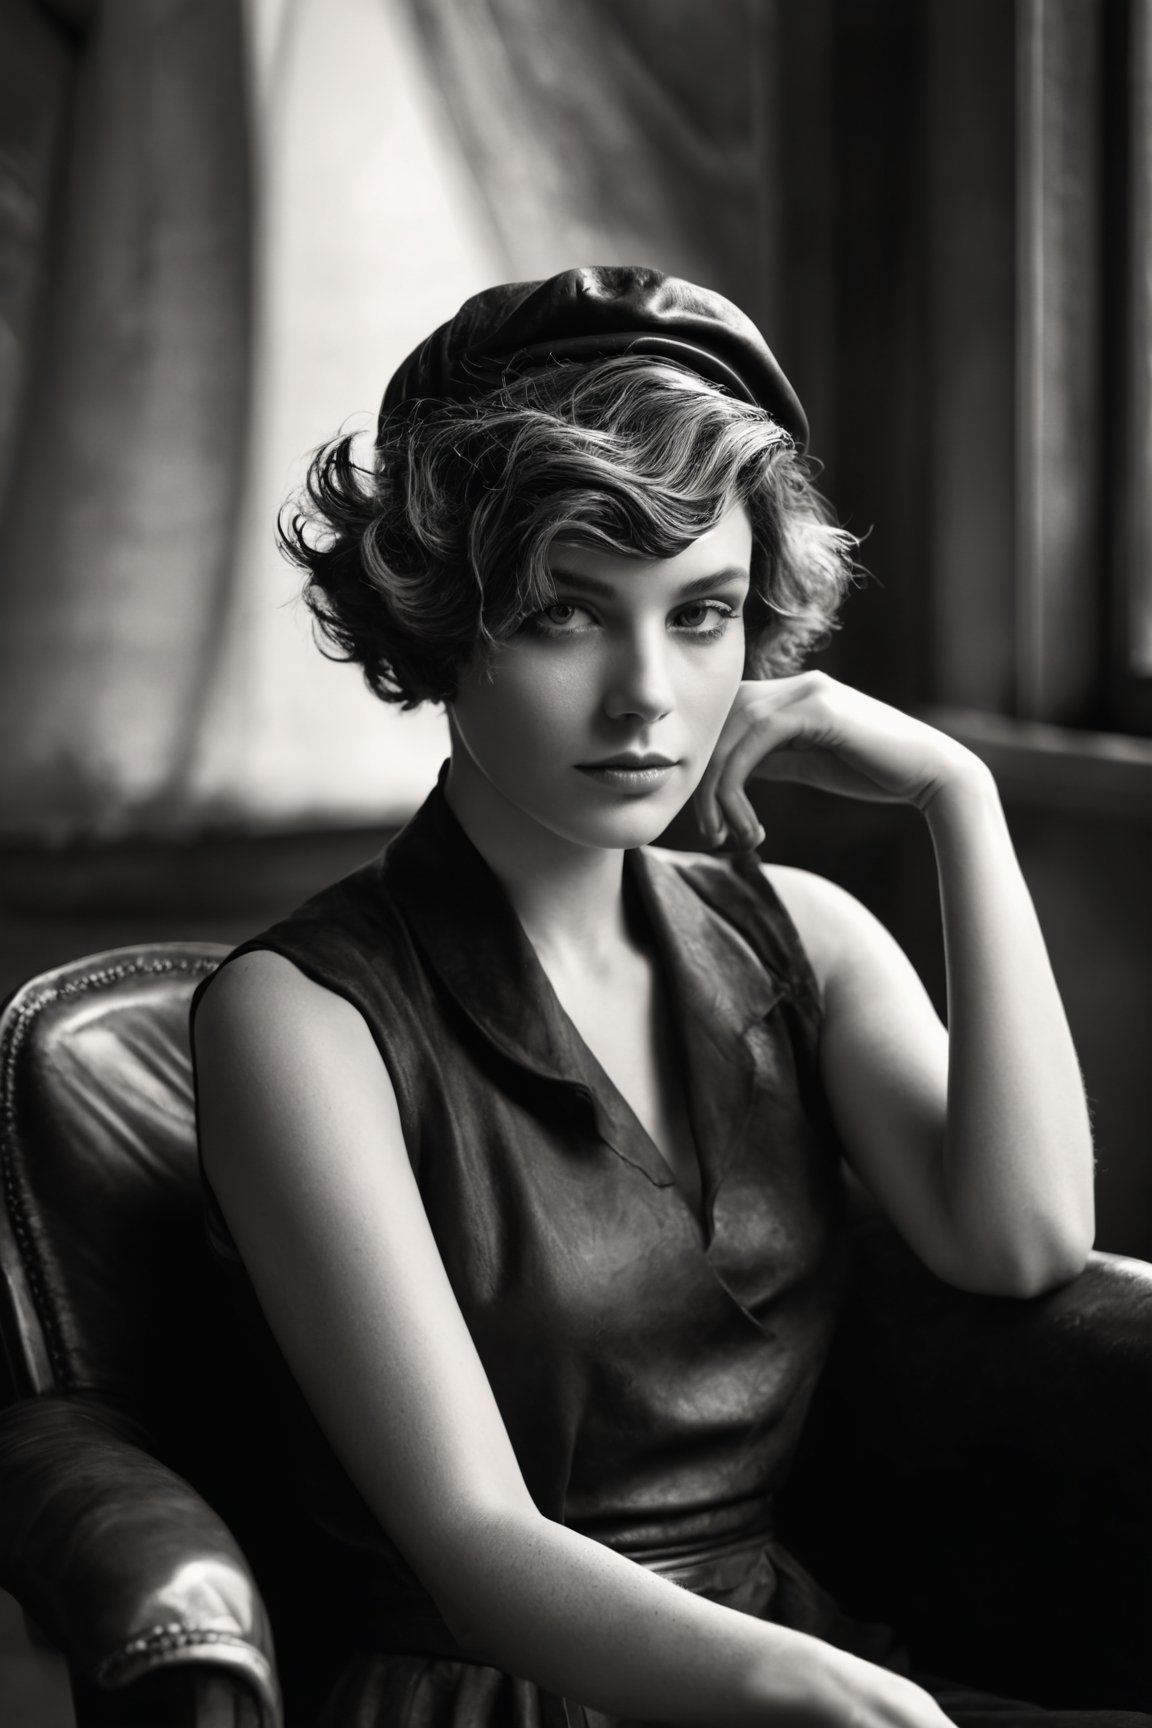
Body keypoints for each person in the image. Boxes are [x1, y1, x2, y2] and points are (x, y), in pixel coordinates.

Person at [190, 266, 1116, 1728]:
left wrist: (963, 797)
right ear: (442, 622)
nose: (647, 696)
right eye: (567, 613)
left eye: (704, 615)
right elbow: (476, 1548)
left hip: (807, 1657)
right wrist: (838, 1701)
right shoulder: (299, 1020)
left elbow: (1022, 1240)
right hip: (502, 1691)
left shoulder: (803, 938)